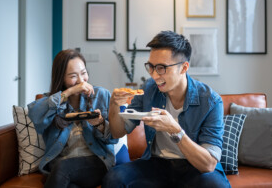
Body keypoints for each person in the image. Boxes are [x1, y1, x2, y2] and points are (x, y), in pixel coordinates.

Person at [103, 31, 231, 188]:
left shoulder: (211, 101)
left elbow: (208, 164)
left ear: (184, 68)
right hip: (156, 163)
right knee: (114, 178)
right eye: (151, 67)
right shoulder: (149, 89)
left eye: (162, 68)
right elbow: (118, 132)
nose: (155, 75)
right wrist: (114, 106)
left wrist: (175, 130)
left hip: (194, 168)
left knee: (215, 185)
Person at [28, 49, 118, 188]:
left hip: (95, 162)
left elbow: (113, 138)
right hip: (62, 165)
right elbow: (35, 114)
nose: (81, 81)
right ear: (61, 78)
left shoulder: (101, 95)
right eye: (73, 76)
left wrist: (99, 124)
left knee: (62, 168)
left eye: (83, 73)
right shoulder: (52, 101)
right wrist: (69, 92)